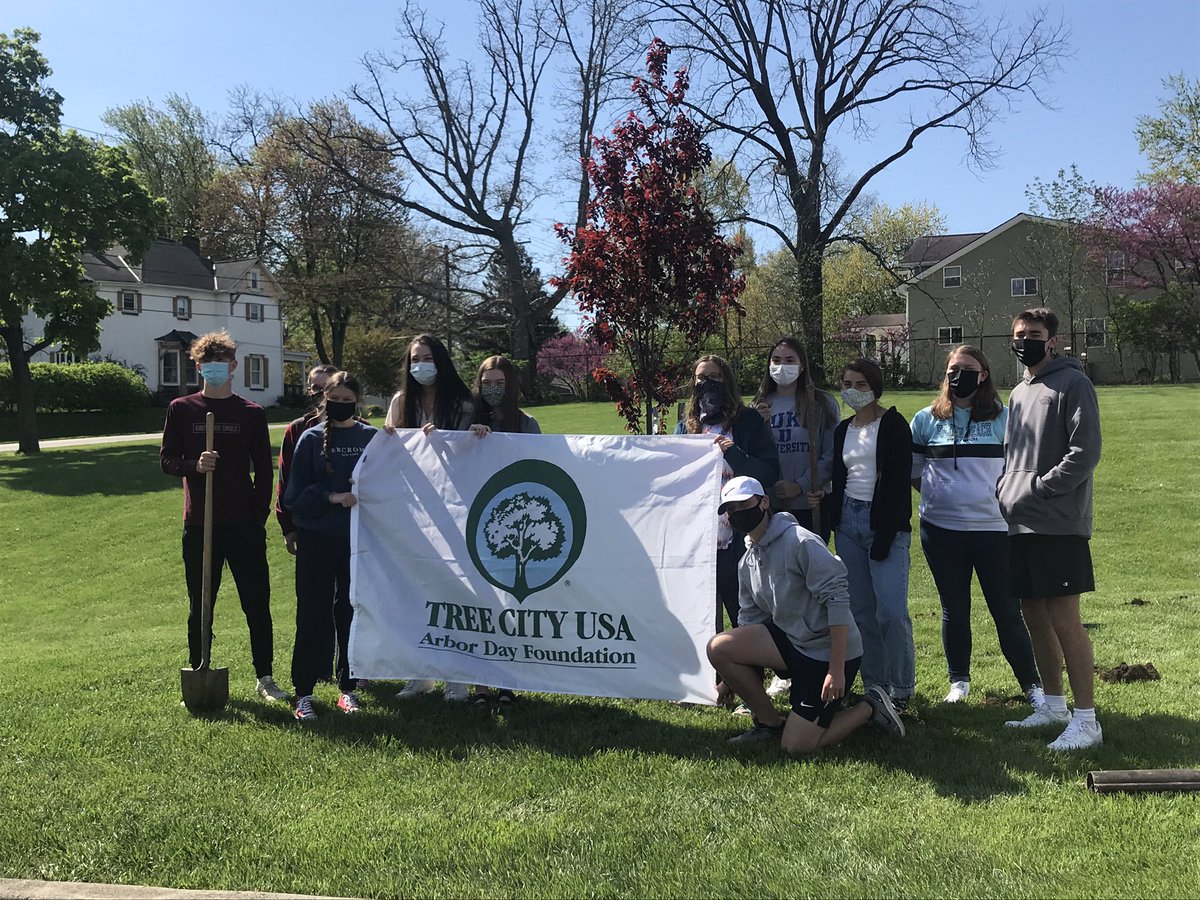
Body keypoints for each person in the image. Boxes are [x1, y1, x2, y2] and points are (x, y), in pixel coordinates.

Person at [706, 476, 905, 753]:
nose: (737, 513)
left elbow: (837, 600)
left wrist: (836, 670)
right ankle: (768, 723)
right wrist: (726, 684)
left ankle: (870, 707)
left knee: (796, 746)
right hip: (793, 642)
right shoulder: (746, 562)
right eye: (730, 510)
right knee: (720, 647)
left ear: (764, 503)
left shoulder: (800, 541)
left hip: (828, 652)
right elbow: (748, 625)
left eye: (743, 505)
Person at [159, 330, 288, 702]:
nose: (215, 369)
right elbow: (167, 461)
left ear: (233, 366)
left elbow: (264, 469)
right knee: (200, 604)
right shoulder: (181, 409)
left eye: (222, 363)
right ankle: (199, 668)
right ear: (198, 367)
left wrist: (257, 516)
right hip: (200, 524)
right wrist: (194, 465)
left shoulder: (251, 413)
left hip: (243, 524)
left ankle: (265, 677)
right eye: (207, 363)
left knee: (256, 603)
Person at [911, 346, 1042, 707]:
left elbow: (1021, 469)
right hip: (941, 531)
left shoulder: (1005, 418)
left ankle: (1032, 685)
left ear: (983, 375)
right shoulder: (925, 420)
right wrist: (945, 496)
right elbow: (915, 471)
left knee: (1006, 610)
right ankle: (959, 682)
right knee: (954, 609)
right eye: (953, 369)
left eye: (968, 370)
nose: (959, 376)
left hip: (995, 530)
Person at [998, 308, 1103, 751]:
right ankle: (1054, 707)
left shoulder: (1073, 383)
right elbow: (1011, 453)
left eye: (1034, 334)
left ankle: (1086, 721)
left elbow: (1085, 451)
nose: (1026, 340)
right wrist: (1007, 487)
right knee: (1034, 615)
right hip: (1021, 522)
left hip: (1058, 523)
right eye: (1020, 334)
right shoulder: (1019, 392)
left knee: (1064, 618)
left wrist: (1041, 488)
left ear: (1052, 340)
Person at [675, 354, 778, 717]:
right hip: (698, 537)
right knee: (703, 613)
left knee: (743, 613)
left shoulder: (747, 422)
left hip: (737, 534)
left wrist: (734, 453)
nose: (708, 384)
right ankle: (709, 684)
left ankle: (749, 691)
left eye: (715, 377)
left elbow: (768, 471)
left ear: (728, 381)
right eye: (701, 378)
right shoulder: (685, 426)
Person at [385, 334, 479, 701]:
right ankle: (419, 674)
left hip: (454, 508)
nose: (420, 364)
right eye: (415, 359)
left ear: (440, 360)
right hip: (414, 510)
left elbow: (471, 454)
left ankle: (457, 676)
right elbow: (389, 452)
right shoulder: (400, 402)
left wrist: (452, 438)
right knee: (416, 589)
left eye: (427, 357)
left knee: (454, 591)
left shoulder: (462, 404)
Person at [284, 372, 378, 721]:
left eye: (347, 400)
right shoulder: (309, 438)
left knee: (351, 613)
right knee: (313, 615)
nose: (340, 405)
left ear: (358, 401)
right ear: (324, 399)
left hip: (357, 540)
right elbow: (294, 497)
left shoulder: (370, 437)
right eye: (334, 399)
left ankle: (348, 688)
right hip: (316, 539)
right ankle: (303, 693)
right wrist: (331, 497)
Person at [829, 358, 915, 710]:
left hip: (885, 524)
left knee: (890, 612)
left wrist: (885, 534)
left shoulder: (893, 425)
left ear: (875, 388)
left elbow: (898, 484)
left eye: (861, 384)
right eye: (847, 384)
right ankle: (875, 687)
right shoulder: (842, 430)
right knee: (861, 613)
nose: (853, 391)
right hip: (848, 523)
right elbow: (840, 476)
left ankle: (901, 689)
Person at [466, 355, 541, 707]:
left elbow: (539, 466)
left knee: (510, 605)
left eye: (500, 383)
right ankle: (480, 684)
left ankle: (507, 681)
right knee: (479, 604)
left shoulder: (527, 424)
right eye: (486, 383)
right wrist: (471, 439)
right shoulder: (466, 420)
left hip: (514, 526)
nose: (492, 389)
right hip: (473, 522)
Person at [751, 337, 839, 543]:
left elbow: (831, 454)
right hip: (771, 506)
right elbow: (753, 456)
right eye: (776, 360)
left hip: (811, 504)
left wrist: (800, 485)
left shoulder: (821, 403)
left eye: (790, 360)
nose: (782, 366)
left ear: (802, 366)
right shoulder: (760, 405)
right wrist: (756, 424)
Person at [276, 364, 338, 556]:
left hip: (347, 522)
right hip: (308, 522)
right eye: (315, 388)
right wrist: (287, 526)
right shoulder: (297, 429)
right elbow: (285, 479)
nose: (320, 393)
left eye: (326, 387)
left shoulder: (361, 429)